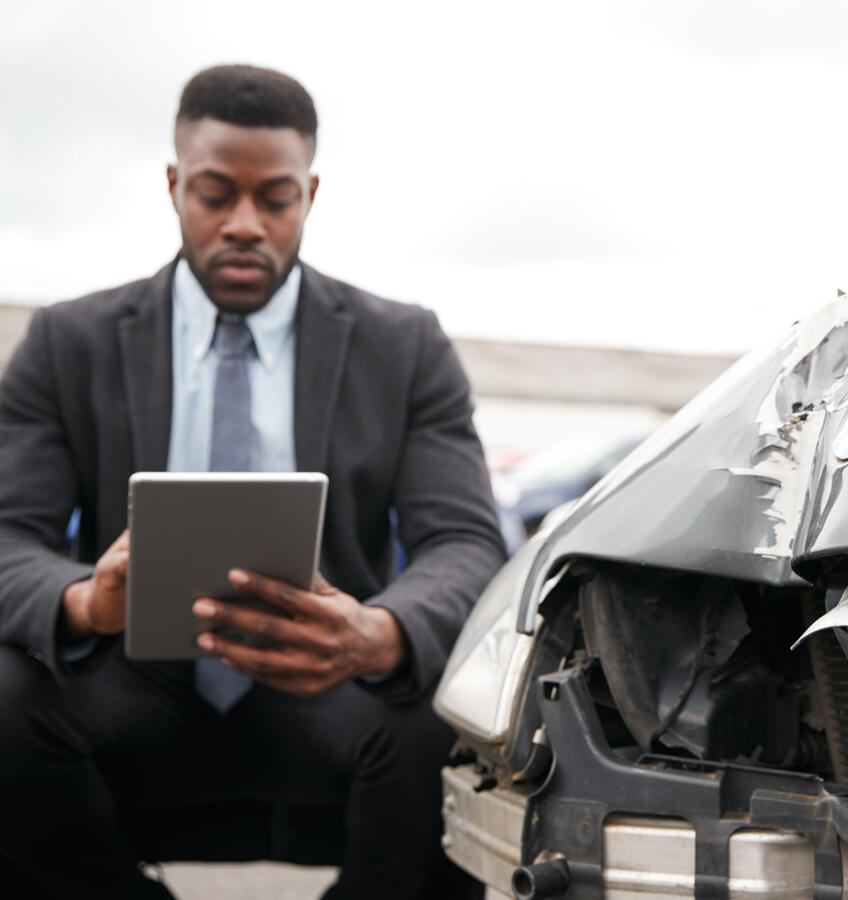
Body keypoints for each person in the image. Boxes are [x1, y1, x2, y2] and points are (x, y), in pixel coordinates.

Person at [0, 64, 506, 899]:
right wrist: (87, 600)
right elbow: (9, 534)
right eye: (214, 195)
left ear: (310, 194)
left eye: (274, 199)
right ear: (174, 187)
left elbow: (466, 542)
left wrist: (376, 632)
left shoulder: (405, 346)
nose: (244, 224)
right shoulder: (68, 341)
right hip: (132, 676)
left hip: (322, 677)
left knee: (447, 714)